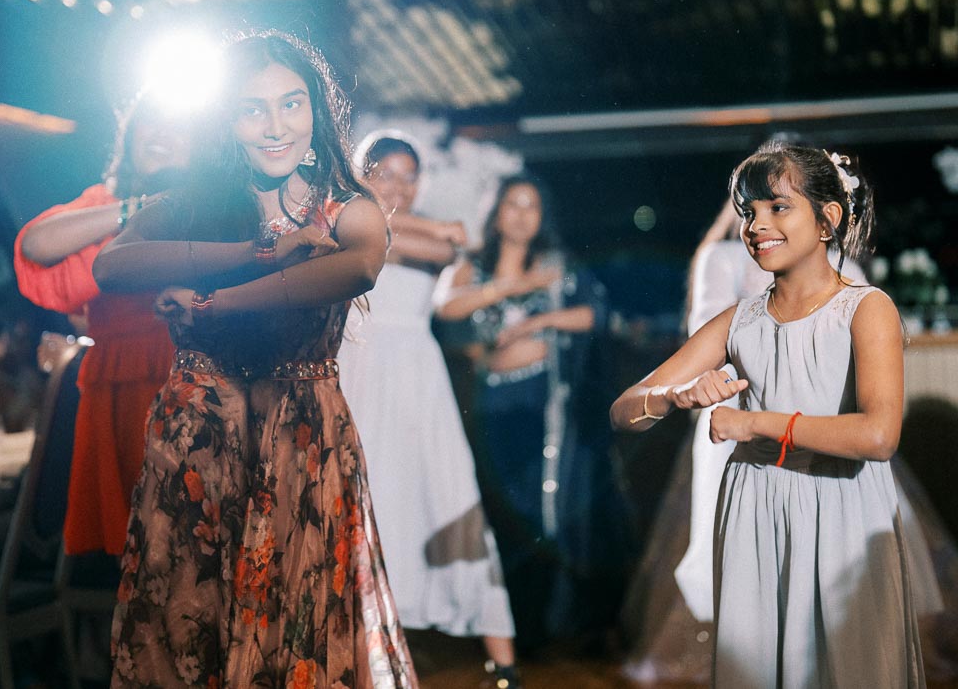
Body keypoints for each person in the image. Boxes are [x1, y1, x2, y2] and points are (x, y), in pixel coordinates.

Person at [92, 30, 416, 687]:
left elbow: (358, 267)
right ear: (227, 121)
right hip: (199, 434)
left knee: (296, 620)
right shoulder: (194, 204)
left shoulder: (346, 208)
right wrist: (255, 256)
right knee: (184, 616)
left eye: (291, 104)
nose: (276, 127)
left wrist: (216, 305)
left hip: (300, 436)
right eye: (253, 109)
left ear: (316, 113)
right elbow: (111, 265)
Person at [611, 141, 925, 686]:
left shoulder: (866, 308)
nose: (757, 225)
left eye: (777, 207)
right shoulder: (738, 321)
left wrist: (753, 422)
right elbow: (623, 410)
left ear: (828, 219)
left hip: (842, 507)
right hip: (755, 510)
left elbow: (878, 436)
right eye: (747, 213)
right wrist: (671, 398)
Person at [337, 132, 519, 685]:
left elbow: (448, 245)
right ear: (359, 174)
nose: (399, 185)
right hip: (357, 371)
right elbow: (373, 233)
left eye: (409, 175)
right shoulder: (339, 224)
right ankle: (354, 652)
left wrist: (437, 230)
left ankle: (505, 664)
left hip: (418, 377)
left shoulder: (429, 237)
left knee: (449, 492)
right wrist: (420, 225)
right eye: (384, 172)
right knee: (362, 502)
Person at [434, 174, 623, 650]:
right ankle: (515, 623)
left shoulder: (556, 266)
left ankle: (559, 624)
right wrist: (514, 287)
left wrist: (538, 320)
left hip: (549, 405)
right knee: (507, 510)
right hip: (495, 405)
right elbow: (445, 309)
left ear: (543, 217)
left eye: (531, 206)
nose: (521, 214)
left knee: (552, 508)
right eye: (512, 204)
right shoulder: (472, 266)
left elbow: (595, 316)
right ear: (497, 211)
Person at [14, 91, 194, 557]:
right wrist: (137, 209)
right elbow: (36, 244)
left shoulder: (209, 206)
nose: (161, 134)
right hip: (116, 387)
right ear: (129, 136)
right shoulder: (106, 205)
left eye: (178, 125)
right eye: (151, 121)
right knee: (121, 552)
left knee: (185, 544)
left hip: (188, 378)